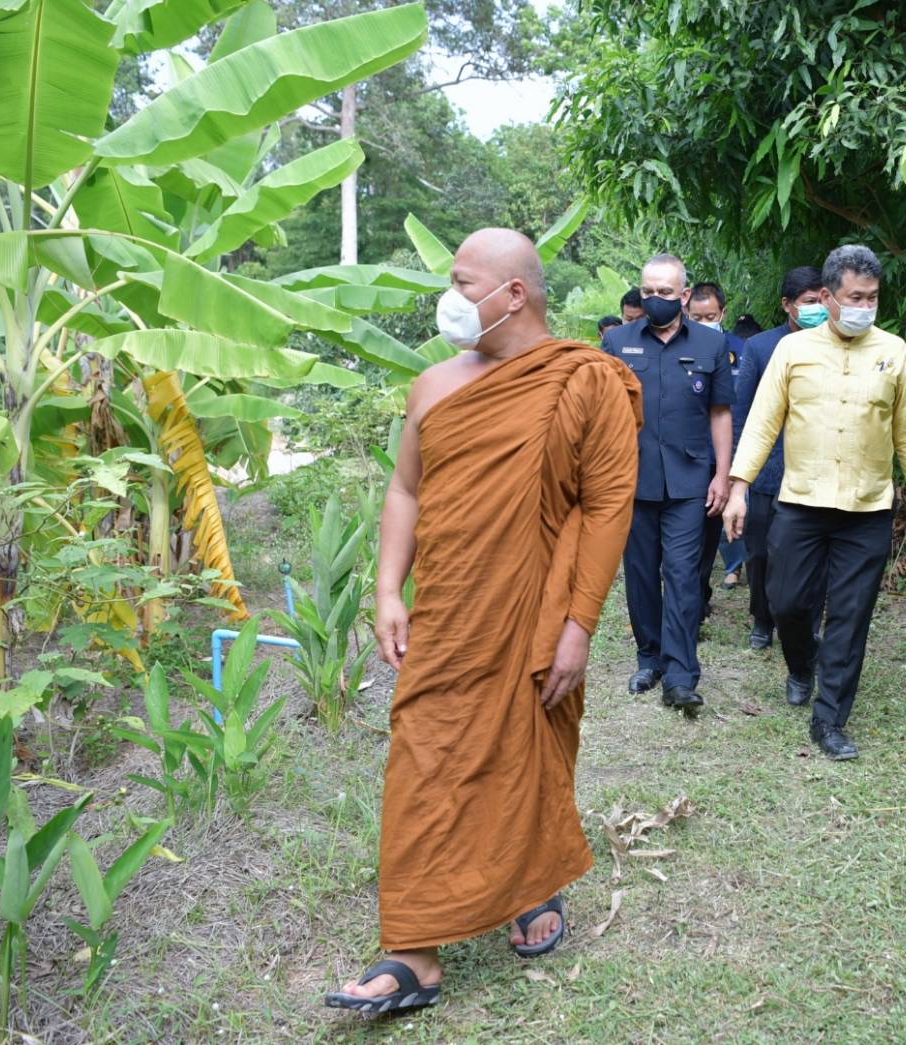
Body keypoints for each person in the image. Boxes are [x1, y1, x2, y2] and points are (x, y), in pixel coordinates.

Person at [326, 229, 641, 1014]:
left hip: (534, 611)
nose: (450, 298)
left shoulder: (585, 381)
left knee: (526, 747)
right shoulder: (434, 384)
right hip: (449, 611)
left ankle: (530, 884)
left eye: (462, 283)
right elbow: (406, 490)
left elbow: (606, 508)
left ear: (512, 295)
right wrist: (387, 590)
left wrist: (578, 626)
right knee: (423, 754)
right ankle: (414, 950)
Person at [723, 245, 906, 761]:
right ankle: (801, 665)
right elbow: (762, 423)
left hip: (867, 509)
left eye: (873, 297)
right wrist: (737, 487)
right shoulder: (791, 352)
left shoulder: (894, 351)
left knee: (850, 614)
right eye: (855, 297)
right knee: (787, 603)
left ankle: (830, 719)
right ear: (826, 297)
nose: (866, 306)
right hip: (800, 503)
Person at [602, 254, 734, 714]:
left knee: (681, 575)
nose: (655, 299)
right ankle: (649, 657)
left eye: (664, 291)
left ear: (683, 294)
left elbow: (720, 413)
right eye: (648, 291)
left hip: (690, 479)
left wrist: (722, 474)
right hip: (631, 481)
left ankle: (680, 674)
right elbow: (600, 416)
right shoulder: (617, 343)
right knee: (640, 573)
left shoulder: (710, 345)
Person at [732, 266, 826, 650]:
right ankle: (761, 617)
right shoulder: (760, 348)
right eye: (808, 302)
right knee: (760, 551)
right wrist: (740, 475)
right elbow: (743, 413)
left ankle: (810, 623)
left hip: (817, 472)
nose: (817, 308)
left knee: (814, 556)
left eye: (822, 300)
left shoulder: (838, 345)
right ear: (787, 305)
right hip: (769, 471)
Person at [688, 281, 748, 597]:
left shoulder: (741, 350)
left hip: (730, 458)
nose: (703, 324)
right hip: (689, 458)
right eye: (696, 318)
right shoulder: (677, 348)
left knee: (715, 532)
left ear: (723, 313)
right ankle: (695, 600)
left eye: (709, 316)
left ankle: (710, 585)